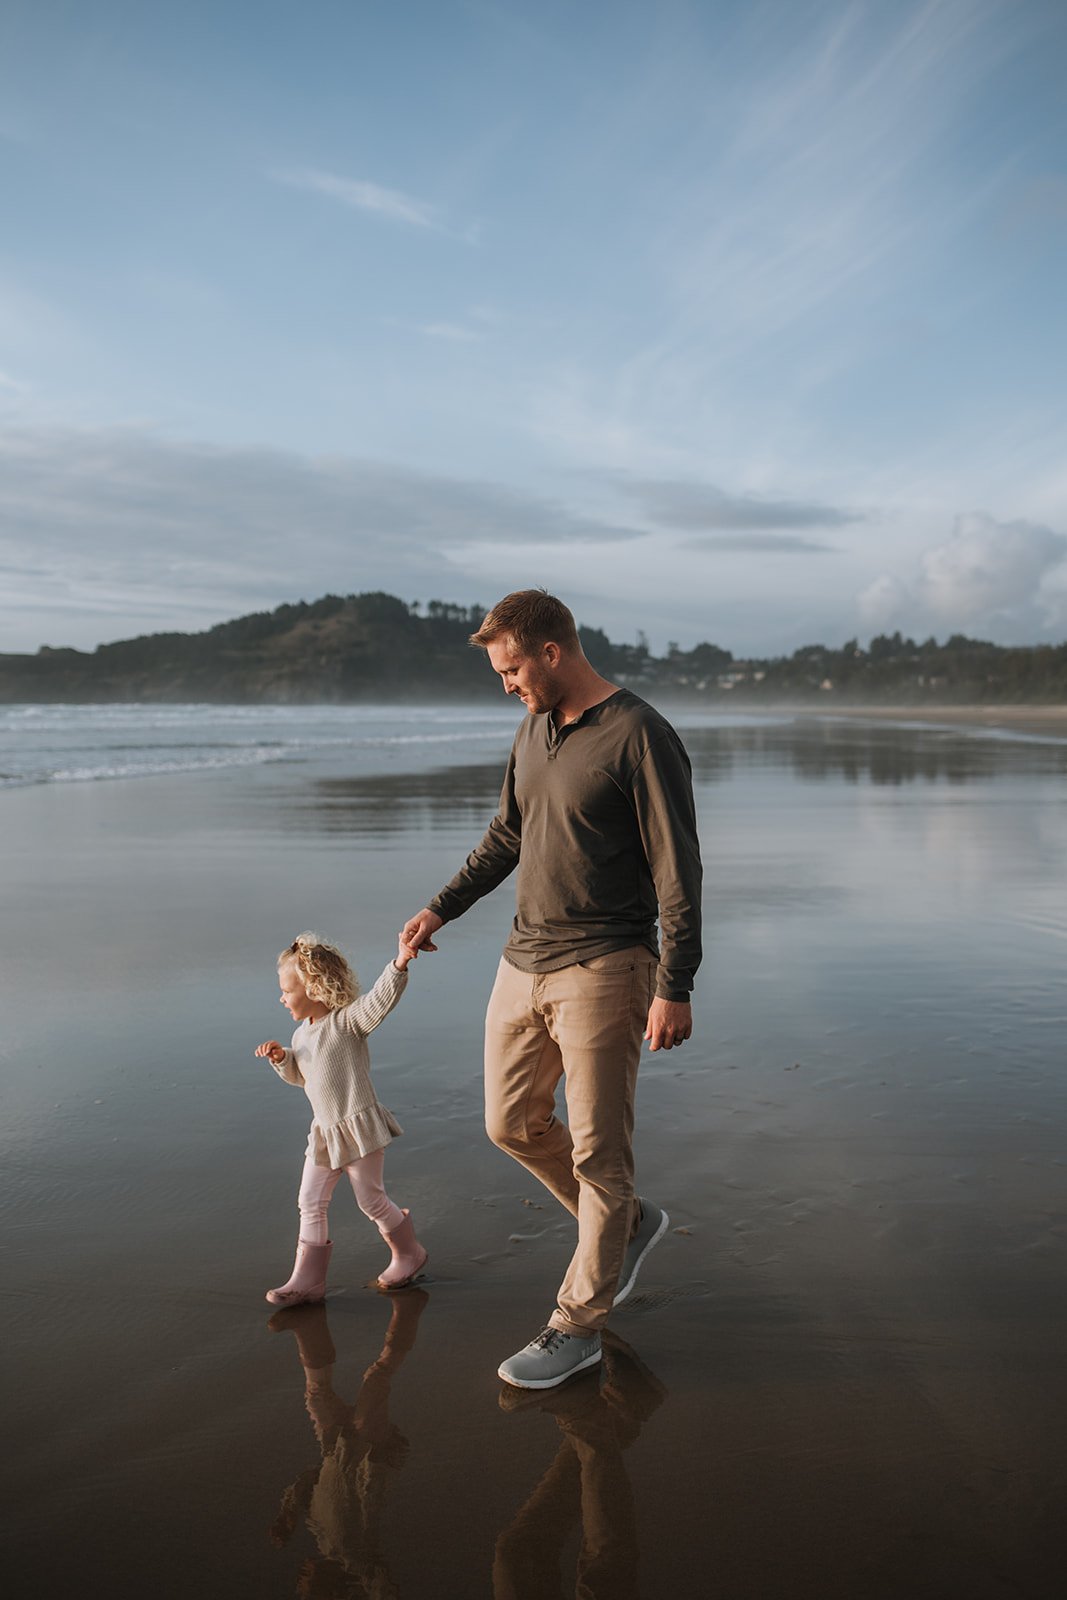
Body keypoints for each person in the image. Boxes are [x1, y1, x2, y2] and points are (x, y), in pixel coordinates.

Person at [401, 589, 702, 1388]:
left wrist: (674, 983)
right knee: (509, 1124)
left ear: (551, 652)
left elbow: (678, 871)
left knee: (600, 1151)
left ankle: (577, 1325)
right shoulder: (532, 728)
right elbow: (509, 832)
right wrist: (441, 907)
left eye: (511, 670)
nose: (506, 685)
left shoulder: (639, 735)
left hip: (606, 965)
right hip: (521, 961)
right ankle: (624, 1225)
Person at [256, 930, 428, 1303]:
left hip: (358, 1128)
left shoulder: (347, 1023)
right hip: (325, 1133)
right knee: (309, 1200)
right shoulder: (299, 1037)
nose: (282, 998)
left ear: (314, 988)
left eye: (287, 991)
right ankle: (307, 1281)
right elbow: (302, 1078)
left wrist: (400, 962)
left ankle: (409, 1253)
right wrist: (283, 1060)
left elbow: (380, 999)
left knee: (371, 1201)